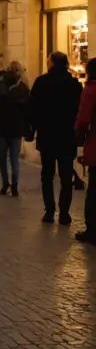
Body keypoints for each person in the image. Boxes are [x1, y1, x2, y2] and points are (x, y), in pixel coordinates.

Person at [29, 52, 83, 226]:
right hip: (67, 135)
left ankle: (50, 210)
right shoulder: (74, 85)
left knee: (47, 174)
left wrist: (32, 128)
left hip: (47, 134)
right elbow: (79, 110)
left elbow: (33, 108)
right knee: (66, 175)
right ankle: (65, 212)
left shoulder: (41, 82)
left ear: (51, 64)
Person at [0, 61, 30, 197]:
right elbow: (27, 108)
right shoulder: (23, 87)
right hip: (16, 126)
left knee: (2, 158)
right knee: (14, 158)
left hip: (2, 126)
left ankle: (5, 183)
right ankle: (14, 184)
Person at [74, 58, 96, 245]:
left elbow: (83, 120)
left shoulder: (91, 90)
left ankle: (93, 230)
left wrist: (78, 138)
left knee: (94, 188)